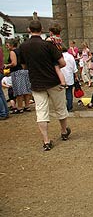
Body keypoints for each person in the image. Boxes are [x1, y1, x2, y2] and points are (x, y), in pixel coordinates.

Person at [19, 19, 71, 151]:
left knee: (41, 111)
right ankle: (64, 131)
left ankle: (46, 141)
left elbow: (24, 66)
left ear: (29, 30)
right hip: (53, 81)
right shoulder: (48, 45)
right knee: (60, 107)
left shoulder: (23, 46)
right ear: (41, 30)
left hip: (36, 82)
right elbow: (63, 63)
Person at [5, 38, 33, 114]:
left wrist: (7, 66)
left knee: (18, 91)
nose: (6, 47)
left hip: (17, 72)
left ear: (11, 45)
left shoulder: (12, 52)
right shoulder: (22, 51)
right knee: (26, 89)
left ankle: (20, 107)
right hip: (25, 71)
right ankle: (27, 106)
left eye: (7, 45)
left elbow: (14, 63)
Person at [46, 23, 67, 87]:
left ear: (51, 32)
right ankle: (63, 82)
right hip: (59, 53)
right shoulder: (59, 38)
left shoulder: (52, 39)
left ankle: (63, 82)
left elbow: (48, 40)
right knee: (58, 69)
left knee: (57, 69)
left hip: (55, 56)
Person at [60, 47, 78, 112]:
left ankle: (62, 107)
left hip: (60, 77)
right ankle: (69, 106)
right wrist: (76, 76)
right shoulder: (70, 57)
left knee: (61, 93)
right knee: (69, 92)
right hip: (69, 76)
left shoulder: (59, 57)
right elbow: (74, 68)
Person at [0, 40, 9, 120]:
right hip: (1, 71)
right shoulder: (0, 49)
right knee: (1, 93)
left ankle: (2, 113)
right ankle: (5, 111)